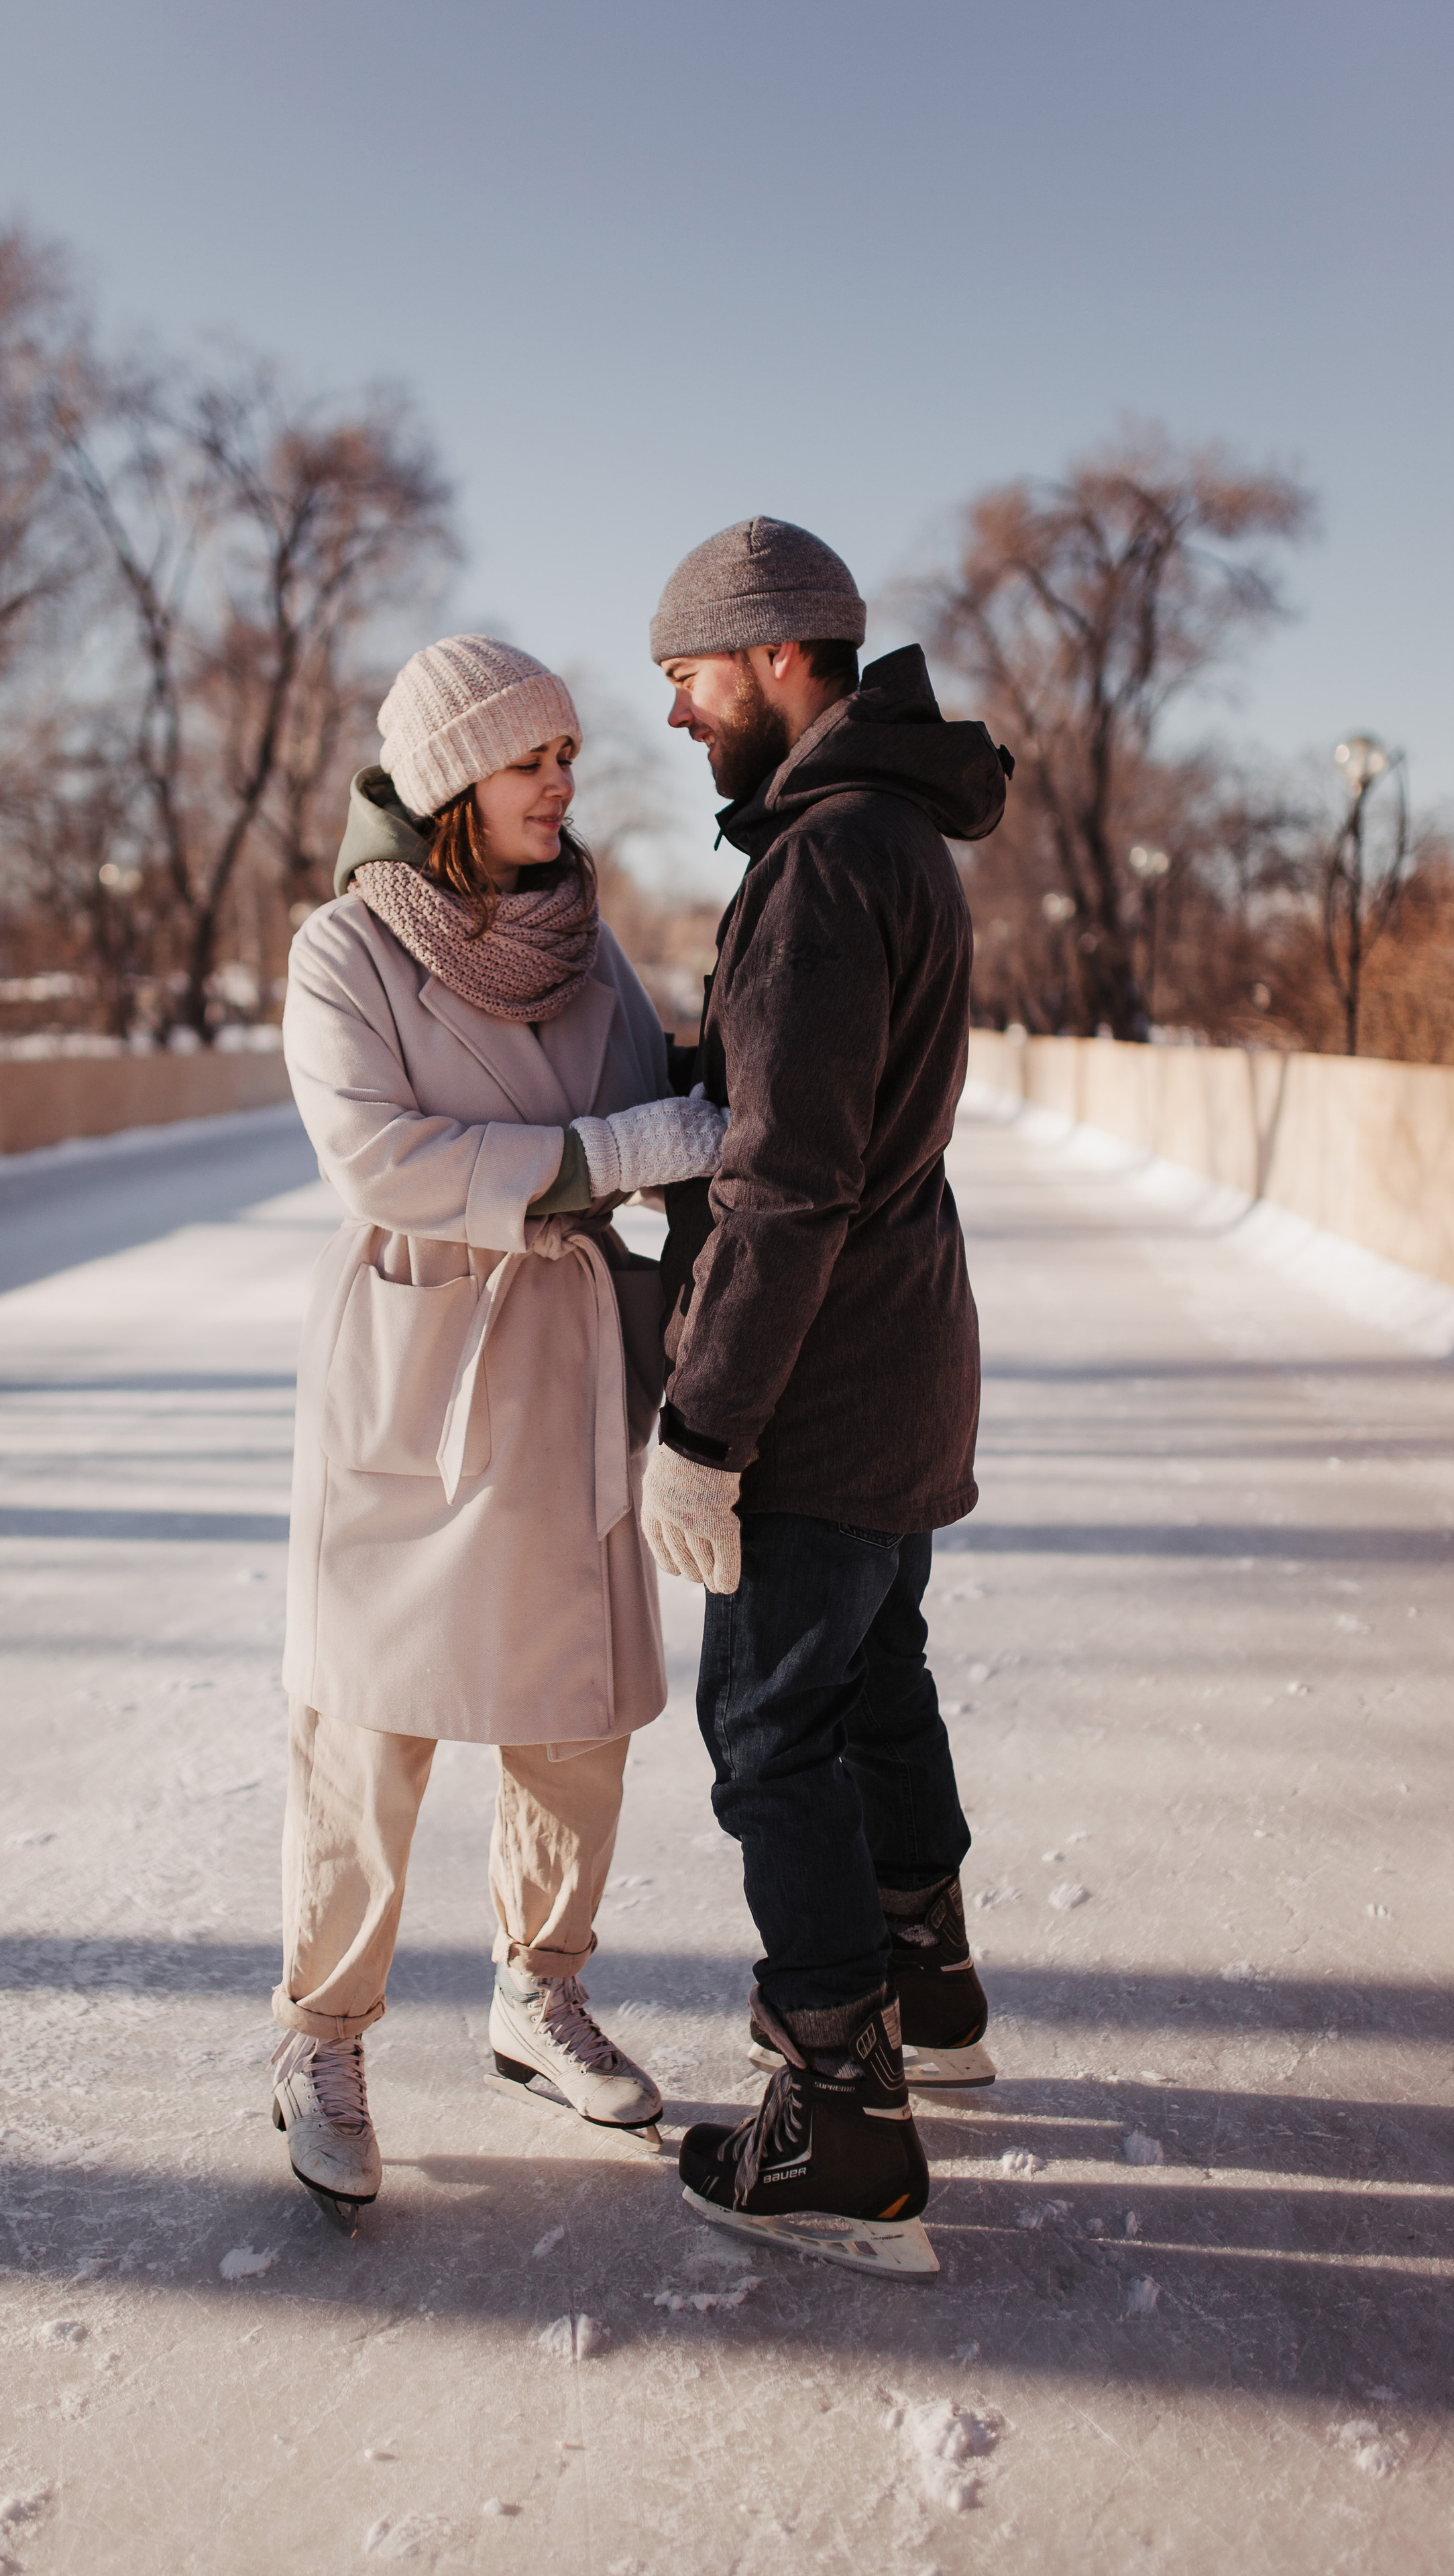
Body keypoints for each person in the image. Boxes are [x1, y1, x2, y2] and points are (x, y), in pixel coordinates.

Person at [270, 634, 728, 2233]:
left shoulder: (586, 946)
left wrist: (686, 1139)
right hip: (421, 1363)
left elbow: (649, 1121)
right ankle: (320, 2039)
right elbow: (380, 1160)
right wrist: (604, 1152)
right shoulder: (342, 954)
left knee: (573, 1715)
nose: (563, 780)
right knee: (367, 1727)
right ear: (457, 775)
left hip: (570, 1355)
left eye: (564, 759)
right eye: (534, 759)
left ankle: (537, 1995)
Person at [636, 519, 1012, 2276]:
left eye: (691, 680)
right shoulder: (904, 839)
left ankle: (846, 2121)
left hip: (827, 1384)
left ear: (782, 658)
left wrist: (705, 1429)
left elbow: (787, 1185)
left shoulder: (817, 866)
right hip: (909, 1359)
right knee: (872, 1682)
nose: (680, 717)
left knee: (768, 1731)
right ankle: (926, 1975)